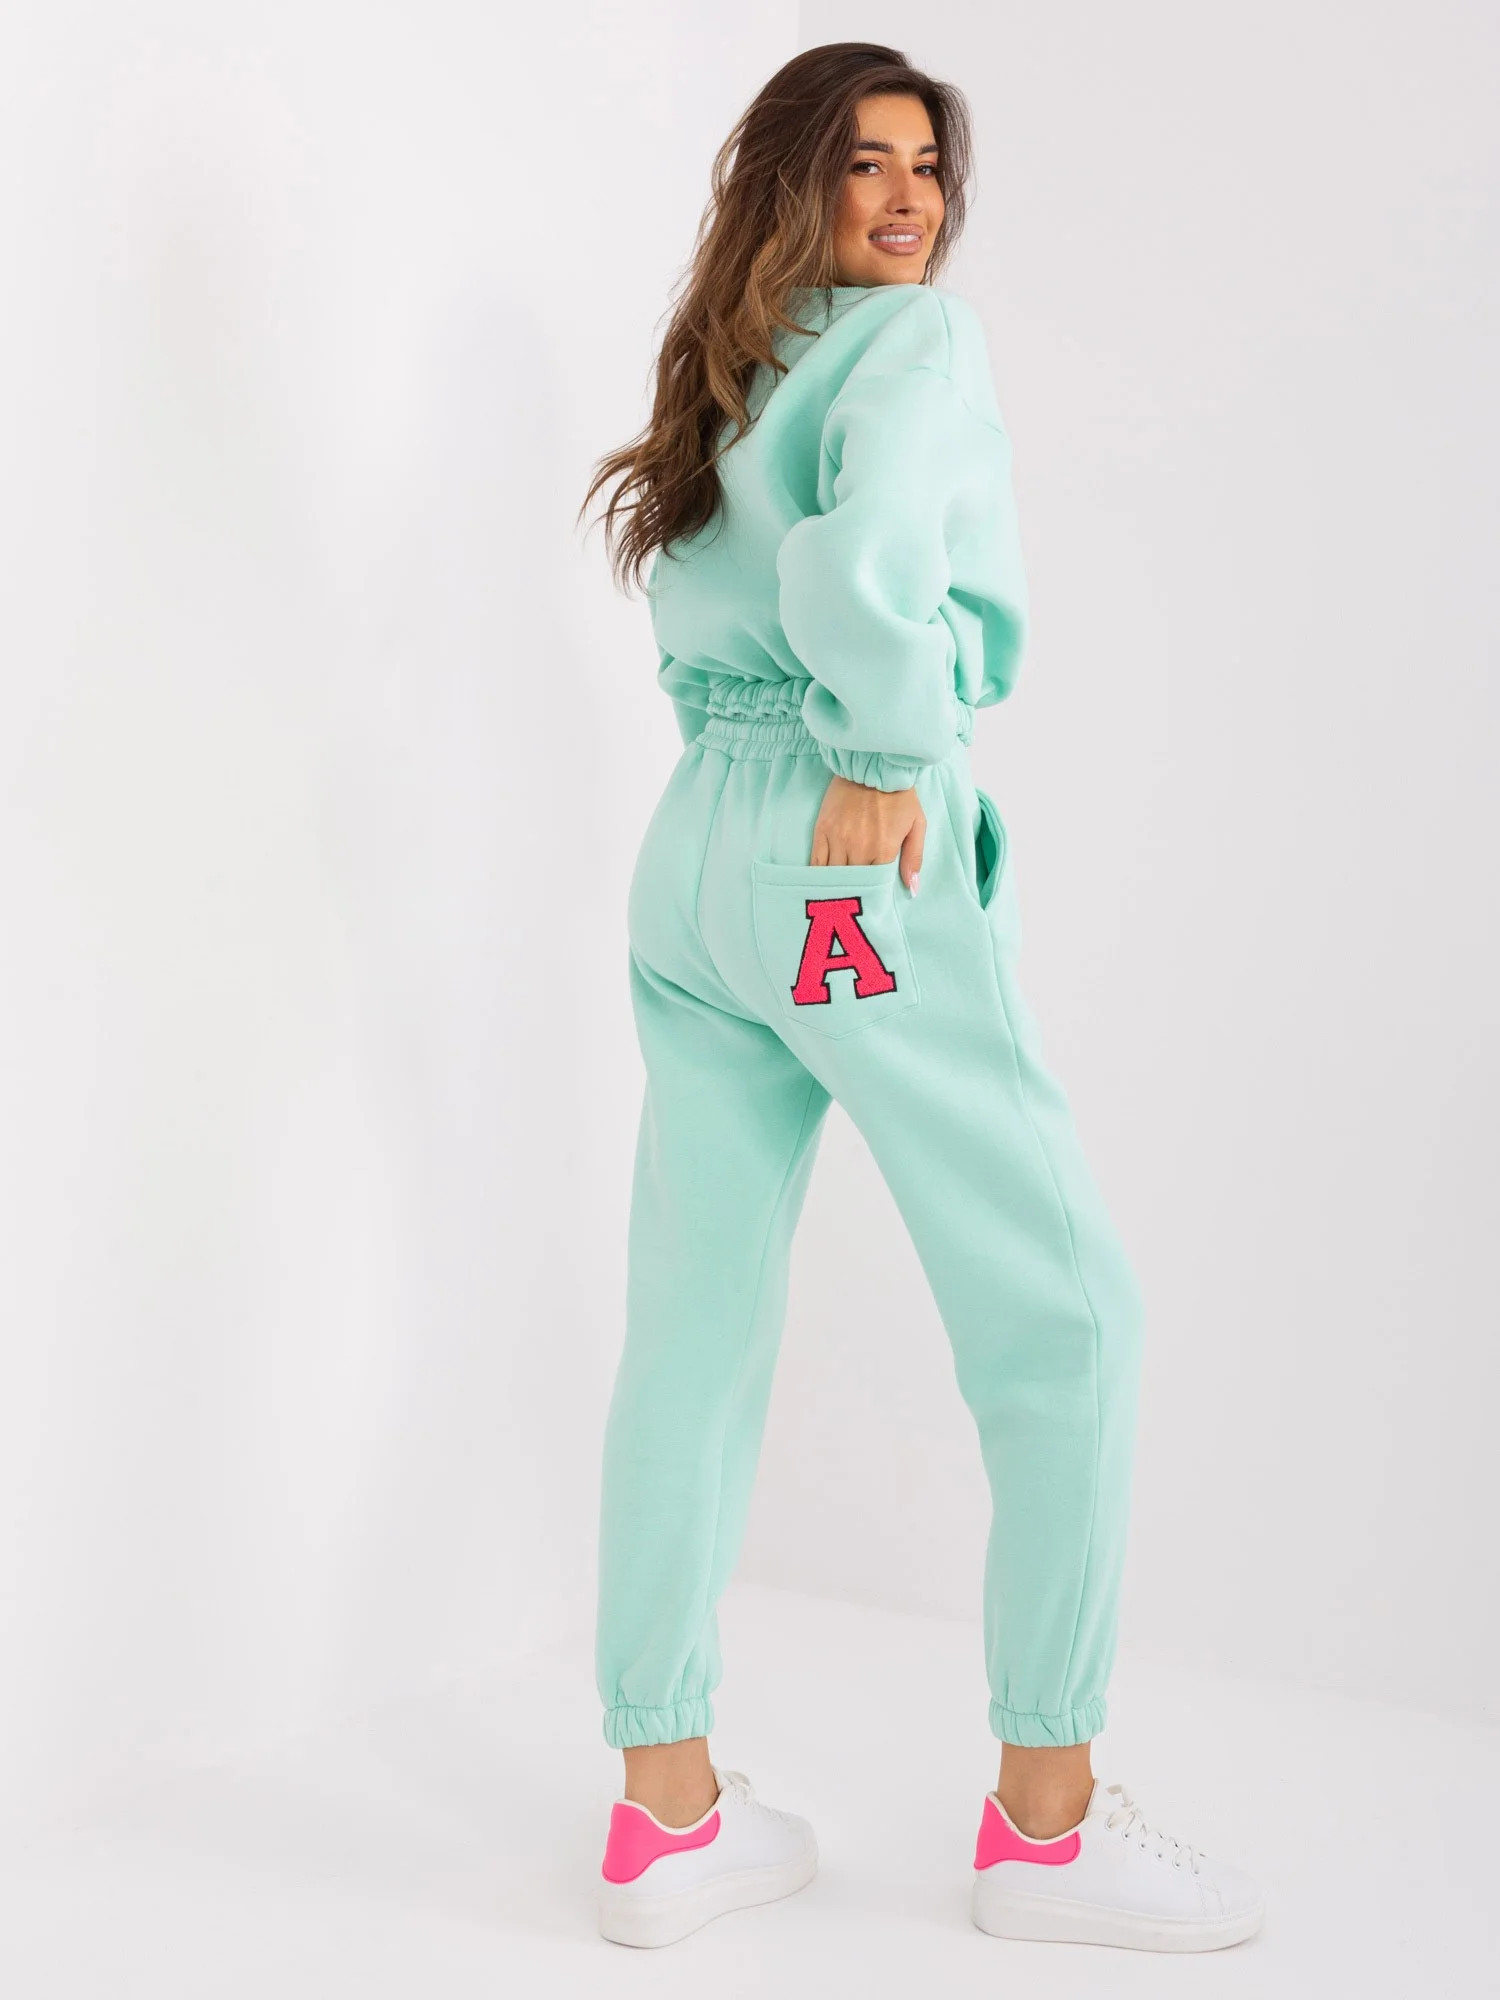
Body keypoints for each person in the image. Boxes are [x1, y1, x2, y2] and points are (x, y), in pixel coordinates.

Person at [578, 41, 1264, 1955]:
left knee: (693, 1324)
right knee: (1067, 1308)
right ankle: (1048, 1830)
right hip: (844, 839)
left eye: (929, 169)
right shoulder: (912, 345)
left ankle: (664, 1813)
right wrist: (887, 743)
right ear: (790, 178)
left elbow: (737, 574)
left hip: (697, 857)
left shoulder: (733, 354)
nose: (907, 201)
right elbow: (867, 560)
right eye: (865, 163)